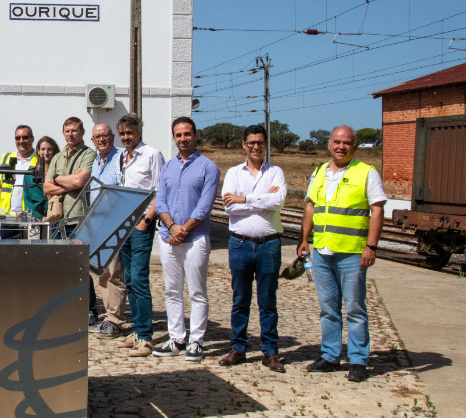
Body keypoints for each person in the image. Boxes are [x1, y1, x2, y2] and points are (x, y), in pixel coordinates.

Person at [298, 125, 386, 383]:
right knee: (328, 308)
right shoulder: (319, 172)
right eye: (336, 142)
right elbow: (311, 207)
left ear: (354, 146)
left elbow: (377, 210)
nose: (341, 146)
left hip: (352, 253)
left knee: (355, 309)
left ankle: (358, 360)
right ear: (329, 145)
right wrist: (304, 240)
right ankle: (330, 355)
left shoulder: (366, 173)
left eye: (346, 142)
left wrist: (371, 247)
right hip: (323, 252)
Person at [218, 125, 287, 372]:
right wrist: (260, 201)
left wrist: (244, 199)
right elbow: (228, 207)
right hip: (240, 244)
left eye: (259, 142)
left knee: (268, 300)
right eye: (251, 143)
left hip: (269, 245)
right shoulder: (235, 172)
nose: (255, 147)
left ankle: (270, 352)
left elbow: (277, 201)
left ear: (266, 144)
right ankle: (238, 348)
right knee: (240, 299)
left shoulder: (276, 172)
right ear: (244, 145)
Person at [153, 117, 219, 361]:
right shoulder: (168, 167)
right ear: (174, 137)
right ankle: (176, 338)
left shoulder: (208, 167)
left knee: (197, 291)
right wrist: (171, 227)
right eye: (178, 135)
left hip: (195, 238)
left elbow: (204, 207)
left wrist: (183, 230)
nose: (183, 139)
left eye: (187, 134)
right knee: (172, 290)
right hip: (167, 237)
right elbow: (161, 202)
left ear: (195, 135)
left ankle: (196, 341)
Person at [112, 113, 165, 356]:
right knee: (129, 280)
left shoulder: (152, 154)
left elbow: (159, 190)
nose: (126, 138)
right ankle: (136, 329)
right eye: (123, 134)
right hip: (124, 224)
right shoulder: (121, 157)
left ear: (139, 133)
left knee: (140, 279)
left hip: (141, 224)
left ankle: (145, 336)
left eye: (130, 133)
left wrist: (147, 219)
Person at [43, 117, 96, 325]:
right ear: (63, 132)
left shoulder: (88, 154)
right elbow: (46, 187)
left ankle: (90, 310)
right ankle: (65, 308)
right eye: (67, 131)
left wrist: (56, 180)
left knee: (81, 267)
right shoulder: (57, 157)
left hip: (78, 217)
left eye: (74, 130)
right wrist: (65, 183)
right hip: (58, 218)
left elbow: (80, 181)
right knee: (60, 266)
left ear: (82, 132)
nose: (70, 134)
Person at [87, 123, 125, 339]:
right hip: (97, 223)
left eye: (105, 135)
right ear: (93, 141)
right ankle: (110, 317)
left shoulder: (120, 158)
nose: (101, 139)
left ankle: (115, 321)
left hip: (114, 222)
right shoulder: (95, 162)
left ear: (112, 137)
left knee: (113, 274)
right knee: (102, 273)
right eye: (97, 137)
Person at [0, 125, 38, 240]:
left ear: (32, 138)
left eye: (25, 137)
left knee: (32, 255)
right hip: (8, 219)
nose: (21, 141)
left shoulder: (40, 159)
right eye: (18, 138)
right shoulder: (7, 158)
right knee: (7, 255)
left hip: (31, 218)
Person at [22, 136, 59, 221]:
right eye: (43, 149)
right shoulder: (29, 174)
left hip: (56, 217)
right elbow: (27, 201)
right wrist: (40, 217)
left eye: (49, 149)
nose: (46, 152)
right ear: (38, 151)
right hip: (36, 220)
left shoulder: (60, 172)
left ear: (54, 152)